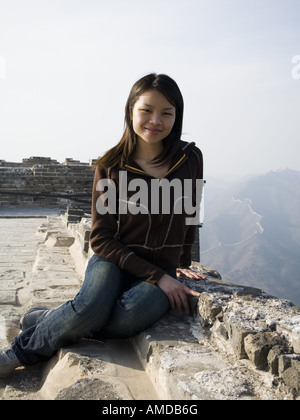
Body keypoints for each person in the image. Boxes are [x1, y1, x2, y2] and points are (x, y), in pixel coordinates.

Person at [0, 73, 205, 378]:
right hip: (114, 259)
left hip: (160, 268)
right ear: (131, 111)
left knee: (128, 319)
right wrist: (158, 276)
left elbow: (191, 214)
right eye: (146, 110)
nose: (155, 120)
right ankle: (17, 353)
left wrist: (183, 263)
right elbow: (101, 239)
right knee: (91, 307)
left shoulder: (190, 159)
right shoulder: (111, 165)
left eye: (166, 113)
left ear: (178, 115)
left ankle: (52, 317)